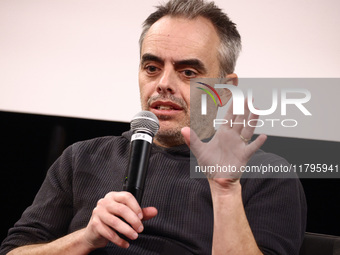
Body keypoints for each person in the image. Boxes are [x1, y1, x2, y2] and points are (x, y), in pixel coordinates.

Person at [0, 0, 306, 254]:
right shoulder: (81, 158)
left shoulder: (267, 176)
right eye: (152, 68)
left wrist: (225, 191)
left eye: (187, 71)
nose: (163, 84)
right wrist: (86, 237)